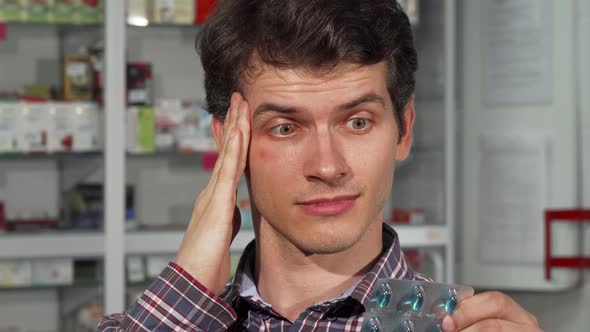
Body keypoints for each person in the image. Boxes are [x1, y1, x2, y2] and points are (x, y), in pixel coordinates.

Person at [99, 0, 542, 331]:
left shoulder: (461, 326)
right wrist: (190, 286)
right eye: (286, 128)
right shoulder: (170, 319)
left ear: (403, 131)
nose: (328, 167)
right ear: (229, 141)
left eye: (357, 121)